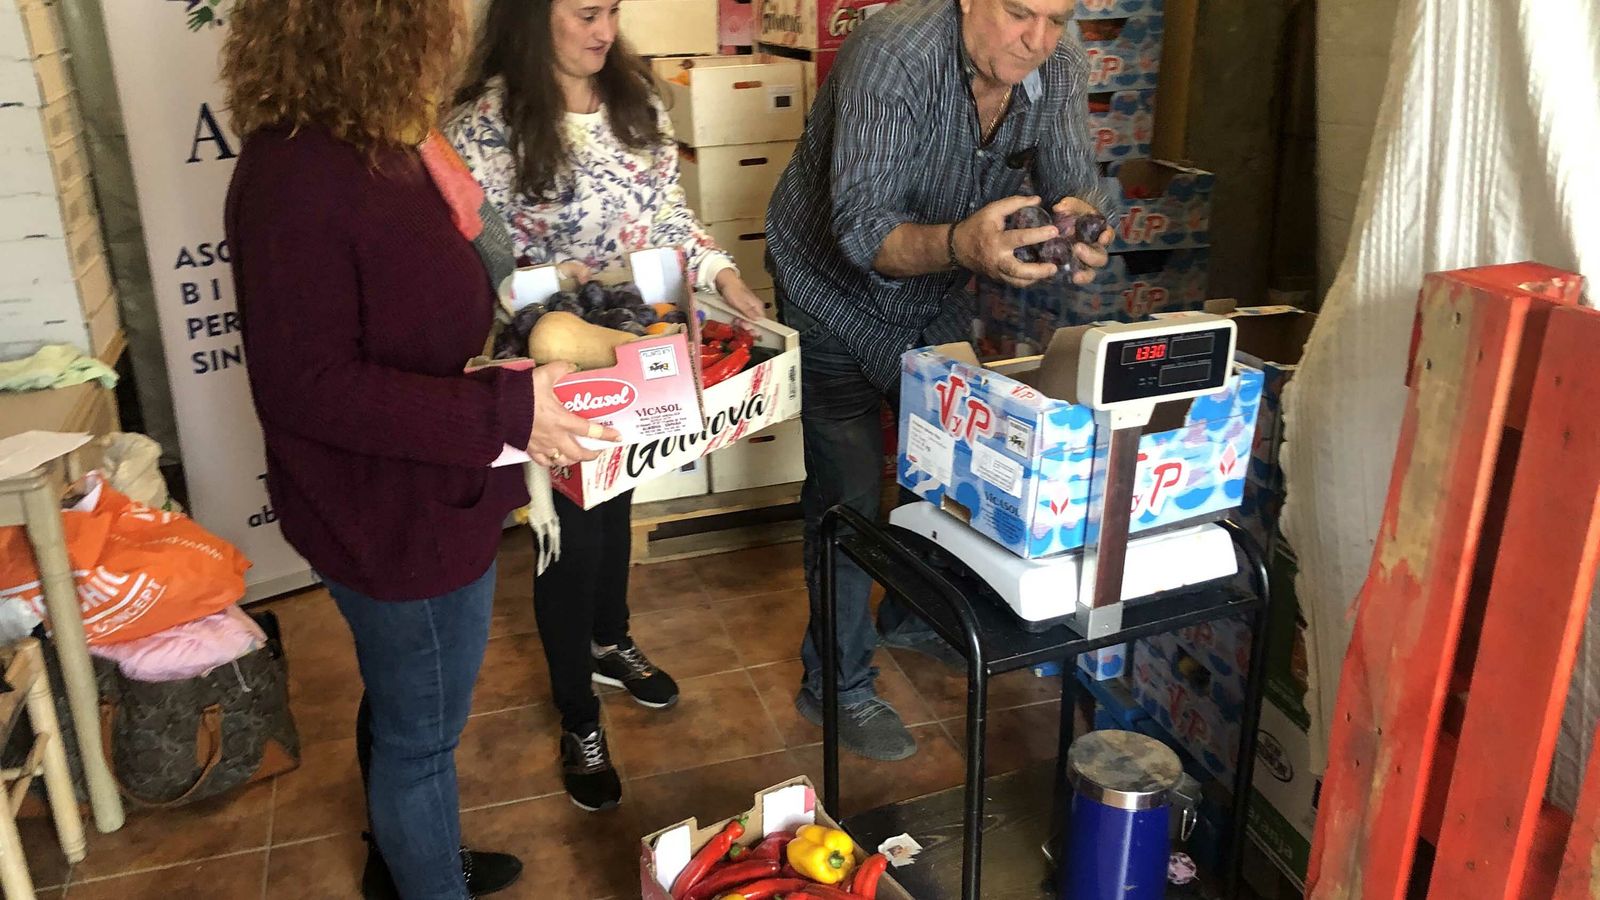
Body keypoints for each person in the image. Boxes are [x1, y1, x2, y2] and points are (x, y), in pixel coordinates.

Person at [221, 1, 618, 897]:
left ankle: (405, 863)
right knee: (422, 742)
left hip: (422, 495)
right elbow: (307, 386)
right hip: (394, 518)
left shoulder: (380, 141)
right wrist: (505, 413)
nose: (454, 30)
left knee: (403, 700)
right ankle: (426, 875)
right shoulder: (299, 175)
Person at [764, 0, 1118, 761]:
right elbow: (862, 231)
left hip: (933, 292)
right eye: (1020, 13)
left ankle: (911, 614)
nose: (1038, 39)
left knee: (949, 467)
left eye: (1057, 19)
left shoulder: (1056, 60)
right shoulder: (892, 53)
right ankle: (836, 684)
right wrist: (965, 243)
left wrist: (1085, 228)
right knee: (848, 494)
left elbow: (1075, 185)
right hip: (828, 289)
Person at [445, 0, 768, 813]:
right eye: (586, 12)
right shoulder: (482, 126)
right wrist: (551, 288)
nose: (605, 31)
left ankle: (608, 640)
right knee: (569, 534)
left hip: (637, 343)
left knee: (617, 503)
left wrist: (724, 276)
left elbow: (669, 216)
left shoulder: (636, 100)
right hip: (548, 363)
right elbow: (472, 264)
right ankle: (577, 717)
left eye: (613, 10)